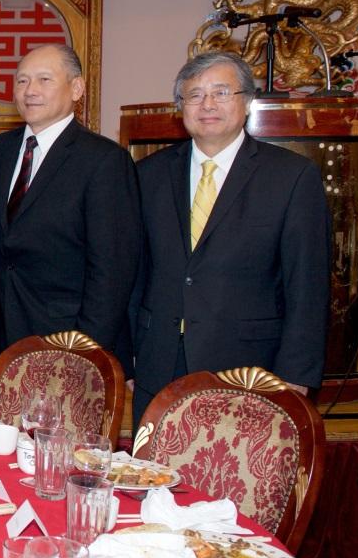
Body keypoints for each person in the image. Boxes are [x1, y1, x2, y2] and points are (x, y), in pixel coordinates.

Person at [133, 51, 330, 424]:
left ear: (247, 101)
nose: (207, 104)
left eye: (221, 92)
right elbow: (134, 272)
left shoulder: (291, 177)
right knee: (152, 476)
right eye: (194, 95)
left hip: (250, 367)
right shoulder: (148, 175)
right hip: (158, 362)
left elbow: (307, 284)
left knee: (232, 479)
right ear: (181, 107)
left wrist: (297, 374)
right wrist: (127, 356)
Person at [0, 44, 142, 368]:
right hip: (1, 342)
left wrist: (84, 352)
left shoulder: (104, 160)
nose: (30, 91)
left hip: (68, 341)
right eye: (22, 81)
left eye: (44, 80)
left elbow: (112, 271)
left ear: (76, 88)